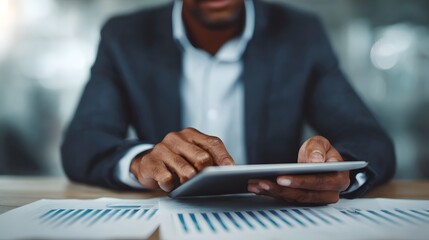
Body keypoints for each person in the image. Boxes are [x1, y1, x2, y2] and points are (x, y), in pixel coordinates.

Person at [61, 0, 396, 204]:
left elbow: (368, 138)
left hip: (275, 224)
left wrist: (339, 174)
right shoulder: (125, 37)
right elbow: (83, 143)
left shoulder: (300, 34)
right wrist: (141, 162)